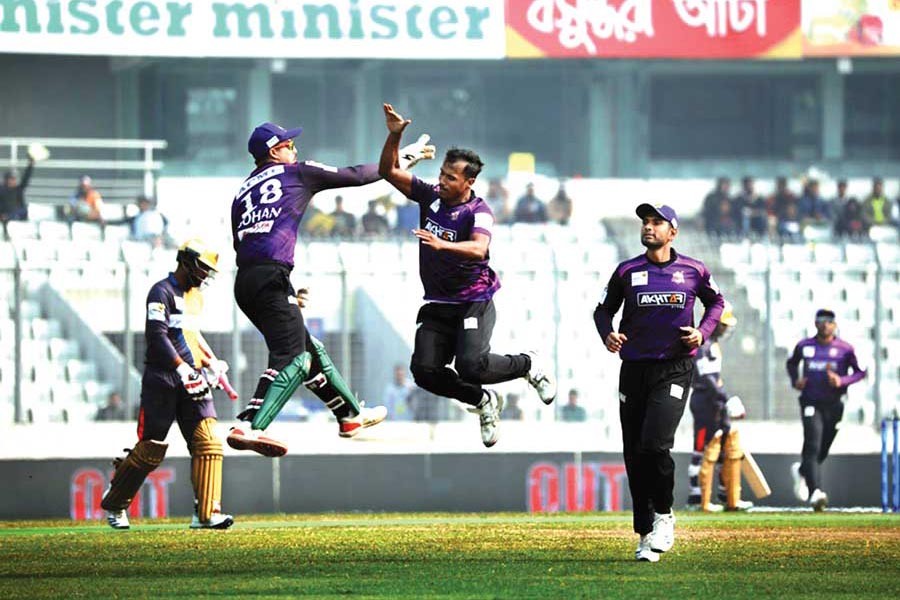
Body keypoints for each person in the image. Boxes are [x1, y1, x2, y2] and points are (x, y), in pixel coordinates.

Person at [225, 121, 425, 456]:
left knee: (309, 346)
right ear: (275, 151)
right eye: (289, 144)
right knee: (295, 358)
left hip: (247, 281)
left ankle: (349, 415)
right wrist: (400, 159)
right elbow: (358, 175)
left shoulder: (242, 190)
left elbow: (242, 242)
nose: (295, 149)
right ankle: (250, 424)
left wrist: (281, 282)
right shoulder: (296, 173)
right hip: (271, 277)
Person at [378, 102, 557, 448]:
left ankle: (526, 365)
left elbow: (478, 249)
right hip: (436, 303)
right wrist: (395, 136)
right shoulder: (429, 196)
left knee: (471, 366)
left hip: (472, 301)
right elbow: (388, 171)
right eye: (442, 173)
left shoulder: (479, 211)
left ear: (469, 181)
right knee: (425, 372)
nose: (442, 181)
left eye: (450, 177)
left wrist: (442, 245)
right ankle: (483, 402)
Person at [593, 203, 724, 563]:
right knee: (635, 454)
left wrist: (702, 332)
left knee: (654, 444)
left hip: (674, 368)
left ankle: (664, 516)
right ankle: (645, 532)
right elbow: (603, 310)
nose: (648, 228)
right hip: (634, 370)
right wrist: (609, 335)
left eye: (656, 223)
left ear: (673, 231)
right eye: (645, 222)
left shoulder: (694, 270)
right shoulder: (627, 270)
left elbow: (716, 303)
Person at [100, 239, 233, 530]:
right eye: (202, 268)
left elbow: (191, 334)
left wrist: (211, 361)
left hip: (193, 379)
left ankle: (207, 513)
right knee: (150, 450)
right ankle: (115, 502)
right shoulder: (161, 291)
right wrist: (182, 368)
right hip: (162, 380)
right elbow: (157, 336)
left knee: (209, 442)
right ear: (186, 262)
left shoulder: (196, 296)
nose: (205, 276)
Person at [786, 308, 867, 511]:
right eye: (821, 320)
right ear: (815, 323)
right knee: (812, 444)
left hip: (834, 404)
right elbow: (792, 363)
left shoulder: (845, 349)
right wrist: (796, 380)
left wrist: (841, 380)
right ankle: (816, 493)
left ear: (835, 324)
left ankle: (803, 471)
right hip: (811, 402)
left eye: (829, 321)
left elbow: (859, 372)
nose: (825, 324)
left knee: (823, 448)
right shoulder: (805, 346)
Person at [685, 302, 752, 513]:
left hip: (715, 403)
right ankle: (696, 498)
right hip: (704, 402)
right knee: (701, 450)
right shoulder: (701, 346)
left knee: (725, 449)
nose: (725, 328)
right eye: (722, 324)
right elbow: (706, 379)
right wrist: (727, 399)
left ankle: (726, 495)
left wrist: (724, 400)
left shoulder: (713, 344)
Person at [0, 155, 34, 223]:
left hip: (16, 220)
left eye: (14, 179)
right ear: (6, 180)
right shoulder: (1, 190)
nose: (13, 181)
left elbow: (26, 178)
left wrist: (30, 164)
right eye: (11, 179)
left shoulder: (19, 189)